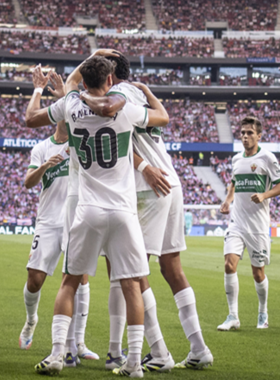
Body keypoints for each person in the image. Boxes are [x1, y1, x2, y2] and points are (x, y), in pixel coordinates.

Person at [29, 56, 170, 377]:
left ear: (84, 81)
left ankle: (57, 354)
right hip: (122, 210)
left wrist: (47, 91)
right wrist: (147, 92)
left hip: (87, 209)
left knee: (69, 282)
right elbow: (162, 117)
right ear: (110, 80)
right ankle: (133, 363)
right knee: (131, 284)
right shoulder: (125, 109)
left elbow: (31, 119)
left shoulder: (71, 105)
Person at [83, 52, 212, 370]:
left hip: (148, 186)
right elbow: (162, 118)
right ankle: (198, 348)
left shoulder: (115, 95)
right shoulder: (139, 92)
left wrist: (143, 167)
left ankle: (159, 352)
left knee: (132, 272)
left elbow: (118, 143)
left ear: (110, 74)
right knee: (172, 269)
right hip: (171, 183)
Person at [218, 116, 280, 331]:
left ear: (259, 136)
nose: (245, 137)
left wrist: (264, 195)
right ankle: (233, 316)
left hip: (258, 226)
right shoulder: (236, 159)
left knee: (258, 273)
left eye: (250, 133)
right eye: (242, 133)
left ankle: (263, 312)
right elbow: (234, 182)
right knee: (229, 264)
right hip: (237, 223)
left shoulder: (267, 157)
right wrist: (228, 200)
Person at [19, 122, 71, 351]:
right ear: (57, 117)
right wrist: (45, 166)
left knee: (76, 280)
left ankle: (75, 343)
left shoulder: (80, 143)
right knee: (35, 279)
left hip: (75, 221)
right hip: (48, 220)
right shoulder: (41, 148)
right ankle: (31, 320)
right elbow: (28, 183)